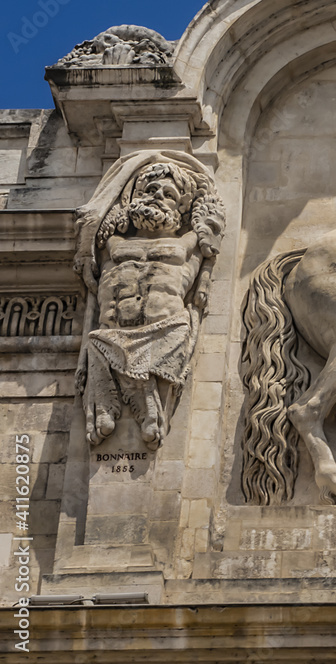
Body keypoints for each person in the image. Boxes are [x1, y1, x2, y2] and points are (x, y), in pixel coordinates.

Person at [75, 154, 224, 449]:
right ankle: (123, 398)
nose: (158, 196)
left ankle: (145, 396)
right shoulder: (112, 243)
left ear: (181, 209)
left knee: (173, 336)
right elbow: (92, 226)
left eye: (169, 194)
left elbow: (211, 226)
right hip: (111, 331)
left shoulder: (189, 241)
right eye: (151, 190)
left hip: (166, 328)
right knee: (96, 343)